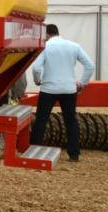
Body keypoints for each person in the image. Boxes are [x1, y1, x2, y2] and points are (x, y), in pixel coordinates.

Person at [30, 24, 94, 162]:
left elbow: (36, 68)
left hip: (48, 89)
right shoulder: (74, 46)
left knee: (41, 120)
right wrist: (82, 83)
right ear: (58, 32)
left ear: (47, 34)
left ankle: (34, 152)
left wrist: (37, 80)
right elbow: (90, 66)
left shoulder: (46, 47)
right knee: (71, 121)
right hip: (69, 89)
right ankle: (74, 154)